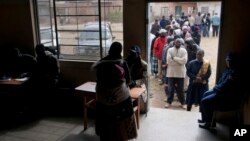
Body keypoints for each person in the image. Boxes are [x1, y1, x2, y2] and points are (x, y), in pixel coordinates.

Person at [91, 42, 137, 141]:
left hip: (103, 98)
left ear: (110, 49)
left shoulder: (101, 63)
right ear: (120, 51)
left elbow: (98, 79)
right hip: (121, 99)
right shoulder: (122, 62)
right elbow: (128, 81)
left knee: (105, 124)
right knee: (121, 123)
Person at [199, 52, 242, 129]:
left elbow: (226, 86)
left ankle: (209, 123)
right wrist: (217, 87)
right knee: (205, 94)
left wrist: (216, 88)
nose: (228, 62)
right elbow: (221, 81)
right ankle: (206, 119)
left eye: (229, 61)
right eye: (227, 60)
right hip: (221, 92)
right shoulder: (228, 69)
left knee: (205, 101)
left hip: (226, 96)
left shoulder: (235, 73)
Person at [165, 38, 188, 109]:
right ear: (174, 43)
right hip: (171, 73)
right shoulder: (169, 50)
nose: (178, 43)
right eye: (177, 42)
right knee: (170, 89)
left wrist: (174, 58)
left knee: (180, 89)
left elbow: (184, 61)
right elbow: (169, 61)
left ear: (181, 43)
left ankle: (183, 103)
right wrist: (179, 61)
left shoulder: (184, 50)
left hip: (180, 73)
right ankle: (169, 102)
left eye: (179, 42)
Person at [125, 45, 148, 113]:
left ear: (138, 54)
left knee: (139, 106)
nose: (132, 55)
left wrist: (135, 82)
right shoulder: (125, 62)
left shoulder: (144, 65)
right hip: (127, 85)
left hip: (137, 85)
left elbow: (144, 79)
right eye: (131, 53)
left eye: (134, 53)